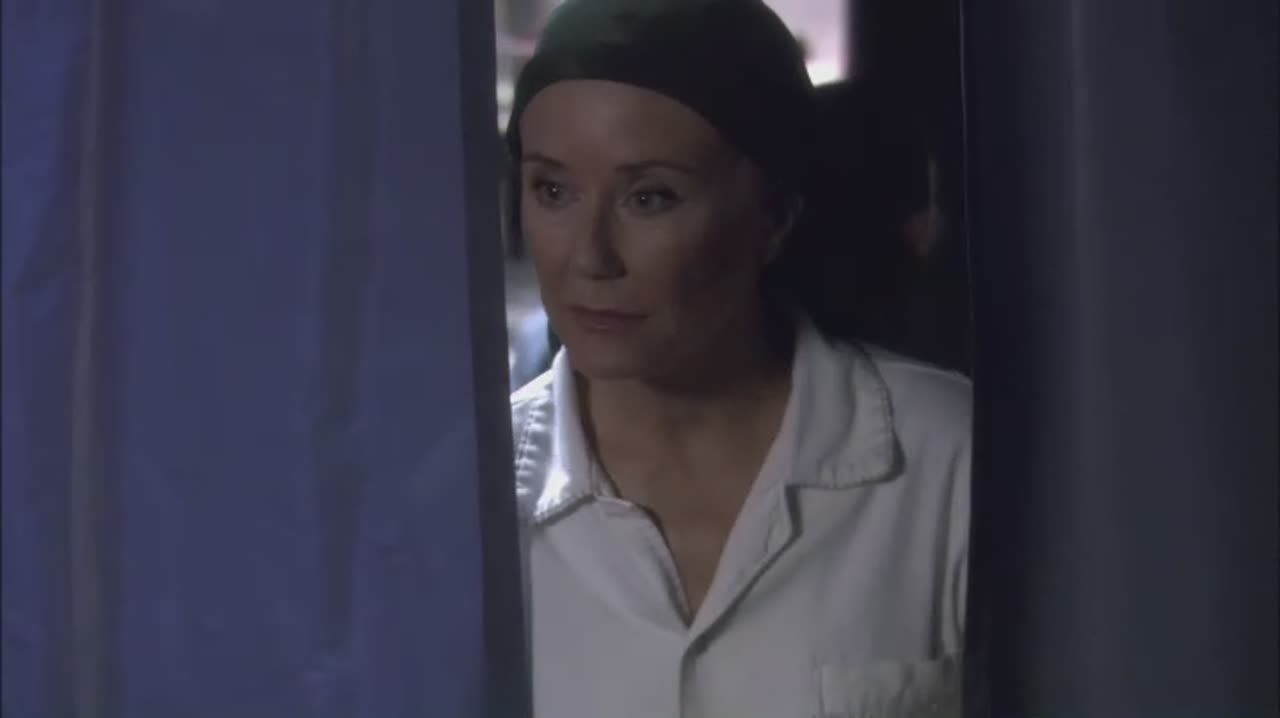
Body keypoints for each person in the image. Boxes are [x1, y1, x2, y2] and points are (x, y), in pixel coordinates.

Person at [505, 1, 971, 715]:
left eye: (649, 198)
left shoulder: (946, 458)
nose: (590, 256)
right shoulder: (477, 493)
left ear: (773, 216)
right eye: (554, 190)